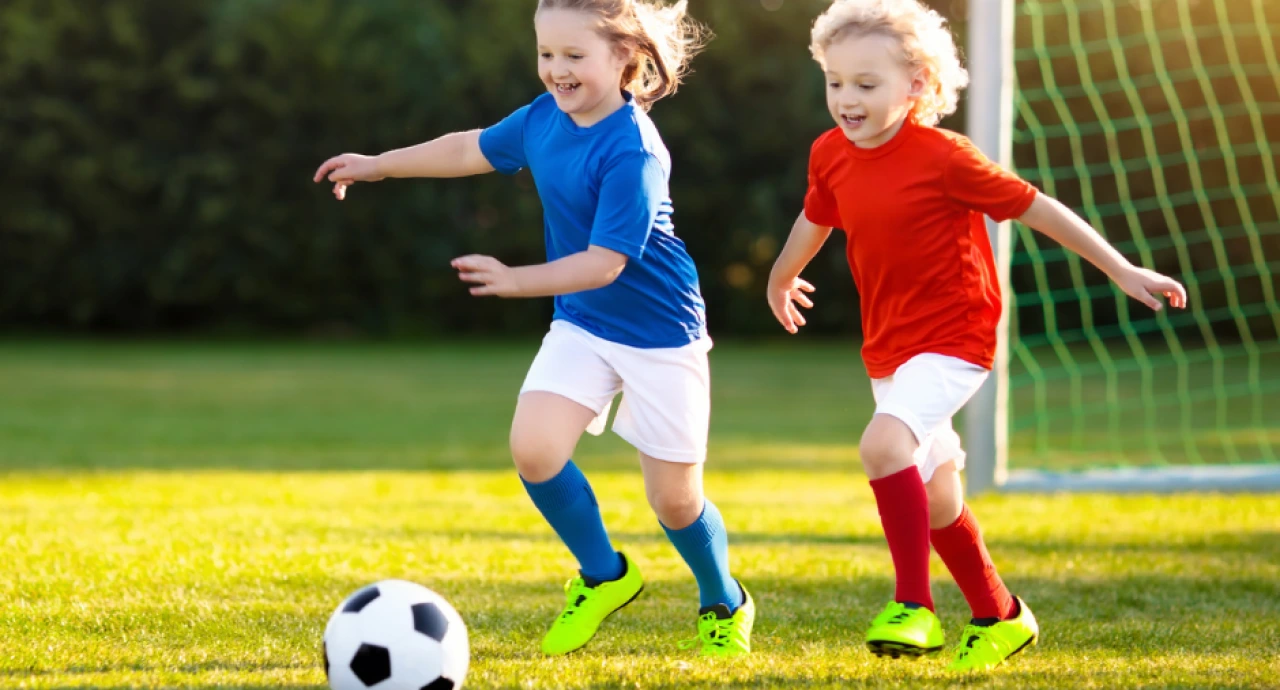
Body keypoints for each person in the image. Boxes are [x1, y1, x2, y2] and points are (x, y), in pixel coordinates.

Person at [313, 0, 754, 658]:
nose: (556, 69)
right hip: (584, 323)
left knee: (674, 503)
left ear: (624, 58)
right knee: (535, 450)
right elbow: (467, 147)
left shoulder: (633, 151)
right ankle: (605, 576)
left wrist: (515, 279)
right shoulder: (543, 118)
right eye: (546, 53)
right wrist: (378, 164)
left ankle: (723, 599)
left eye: (574, 55)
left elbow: (604, 264)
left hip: (661, 333)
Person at [766, 0, 1187, 672]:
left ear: (917, 85)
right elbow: (816, 216)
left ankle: (913, 606)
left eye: (866, 84)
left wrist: (1121, 269)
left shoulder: (945, 158)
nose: (846, 98)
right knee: (936, 497)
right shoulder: (830, 153)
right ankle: (1001, 616)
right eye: (835, 81)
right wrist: (782, 276)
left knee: (882, 446)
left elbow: (1037, 207)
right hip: (890, 347)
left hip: (956, 337)